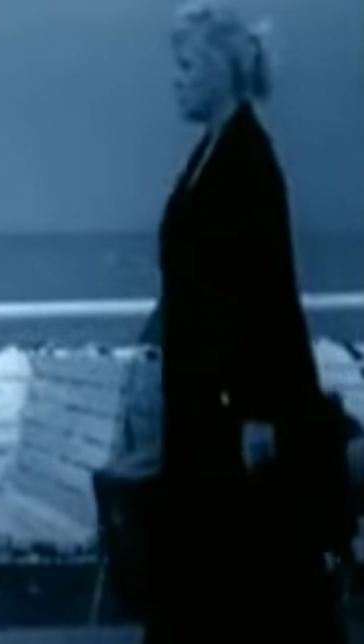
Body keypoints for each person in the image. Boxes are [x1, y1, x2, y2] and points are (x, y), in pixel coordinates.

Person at [141, 1, 355, 641]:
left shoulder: (248, 162)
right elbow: (194, 282)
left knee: (249, 583)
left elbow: (265, 293)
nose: (174, 80)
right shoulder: (210, 156)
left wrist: (260, 411)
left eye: (185, 66)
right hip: (200, 413)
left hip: (232, 421)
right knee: (221, 584)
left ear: (218, 69)